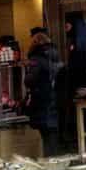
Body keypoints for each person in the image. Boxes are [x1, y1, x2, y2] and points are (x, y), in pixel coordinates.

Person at [24, 28, 61, 157]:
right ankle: (55, 168)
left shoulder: (36, 60)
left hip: (42, 101)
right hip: (55, 100)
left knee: (46, 136)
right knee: (52, 137)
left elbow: (29, 80)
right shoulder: (56, 57)